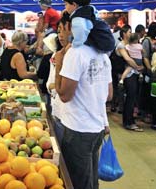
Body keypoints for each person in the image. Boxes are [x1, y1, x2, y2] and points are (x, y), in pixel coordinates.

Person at [55, 13, 112, 189]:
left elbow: (64, 95)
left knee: (78, 181)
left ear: (71, 27)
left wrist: (59, 63)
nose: (61, 33)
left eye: (62, 28)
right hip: (95, 128)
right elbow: (109, 95)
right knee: (91, 179)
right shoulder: (102, 54)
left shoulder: (75, 53)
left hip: (77, 128)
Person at [116, 26, 145, 131]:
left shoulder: (130, 45)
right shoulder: (121, 45)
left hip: (134, 73)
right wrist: (137, 67)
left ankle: (130, 120)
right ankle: (128, 122)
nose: (130, 33)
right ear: (124, 33)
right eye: (129, 31)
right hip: (128, 75)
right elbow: (128, 59)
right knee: (130, 97)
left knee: (132, 98)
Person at [141, 22, 156, 130]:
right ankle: (150, 116)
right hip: (151, 72)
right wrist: (150, 69)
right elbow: (145, 57)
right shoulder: (147, 41)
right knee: (150, 95)